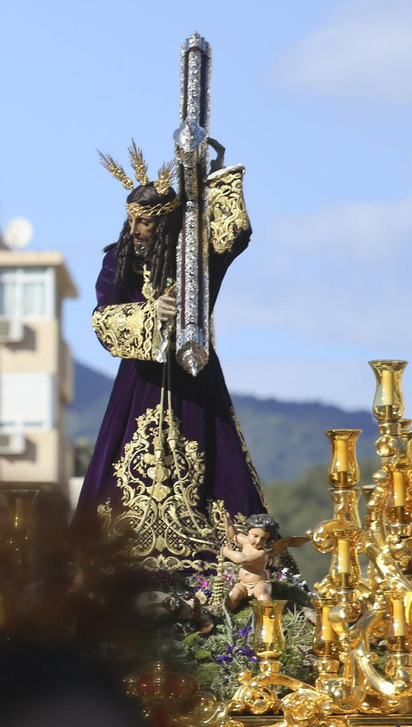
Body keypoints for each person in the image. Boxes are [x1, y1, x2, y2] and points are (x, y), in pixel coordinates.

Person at [75, 139, 264, 574]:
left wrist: (214, 176)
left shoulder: (196, 260)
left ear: (165, 224)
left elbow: (233, 234)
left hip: (195, 374)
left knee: (211, 466)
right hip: (140, 379)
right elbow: (103, 317)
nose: (137, 230)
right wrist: (148, 314)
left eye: (146, 223)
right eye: (132, 221)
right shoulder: (117, 262)